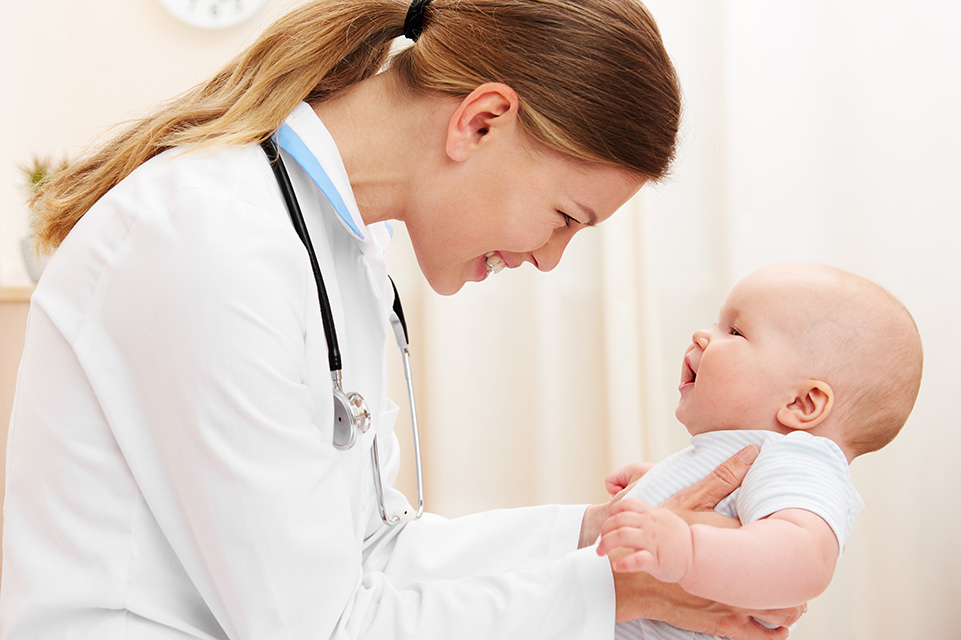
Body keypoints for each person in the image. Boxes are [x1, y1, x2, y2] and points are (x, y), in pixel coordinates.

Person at [0, 1, 802, 638]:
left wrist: (597, 532)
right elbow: (320, 626)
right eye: (563, 216)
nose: (548, 258)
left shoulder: (335, 245)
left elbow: (369, 552)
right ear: (480, 120)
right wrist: (610, 593)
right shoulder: (208, 237)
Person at [596, 262, 924, 640]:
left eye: (734, 331)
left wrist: (686, 547)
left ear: (803, 404)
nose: (702, 335)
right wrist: (658, 483)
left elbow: (806, 558)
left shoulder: (800, 457)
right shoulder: (761, 459)